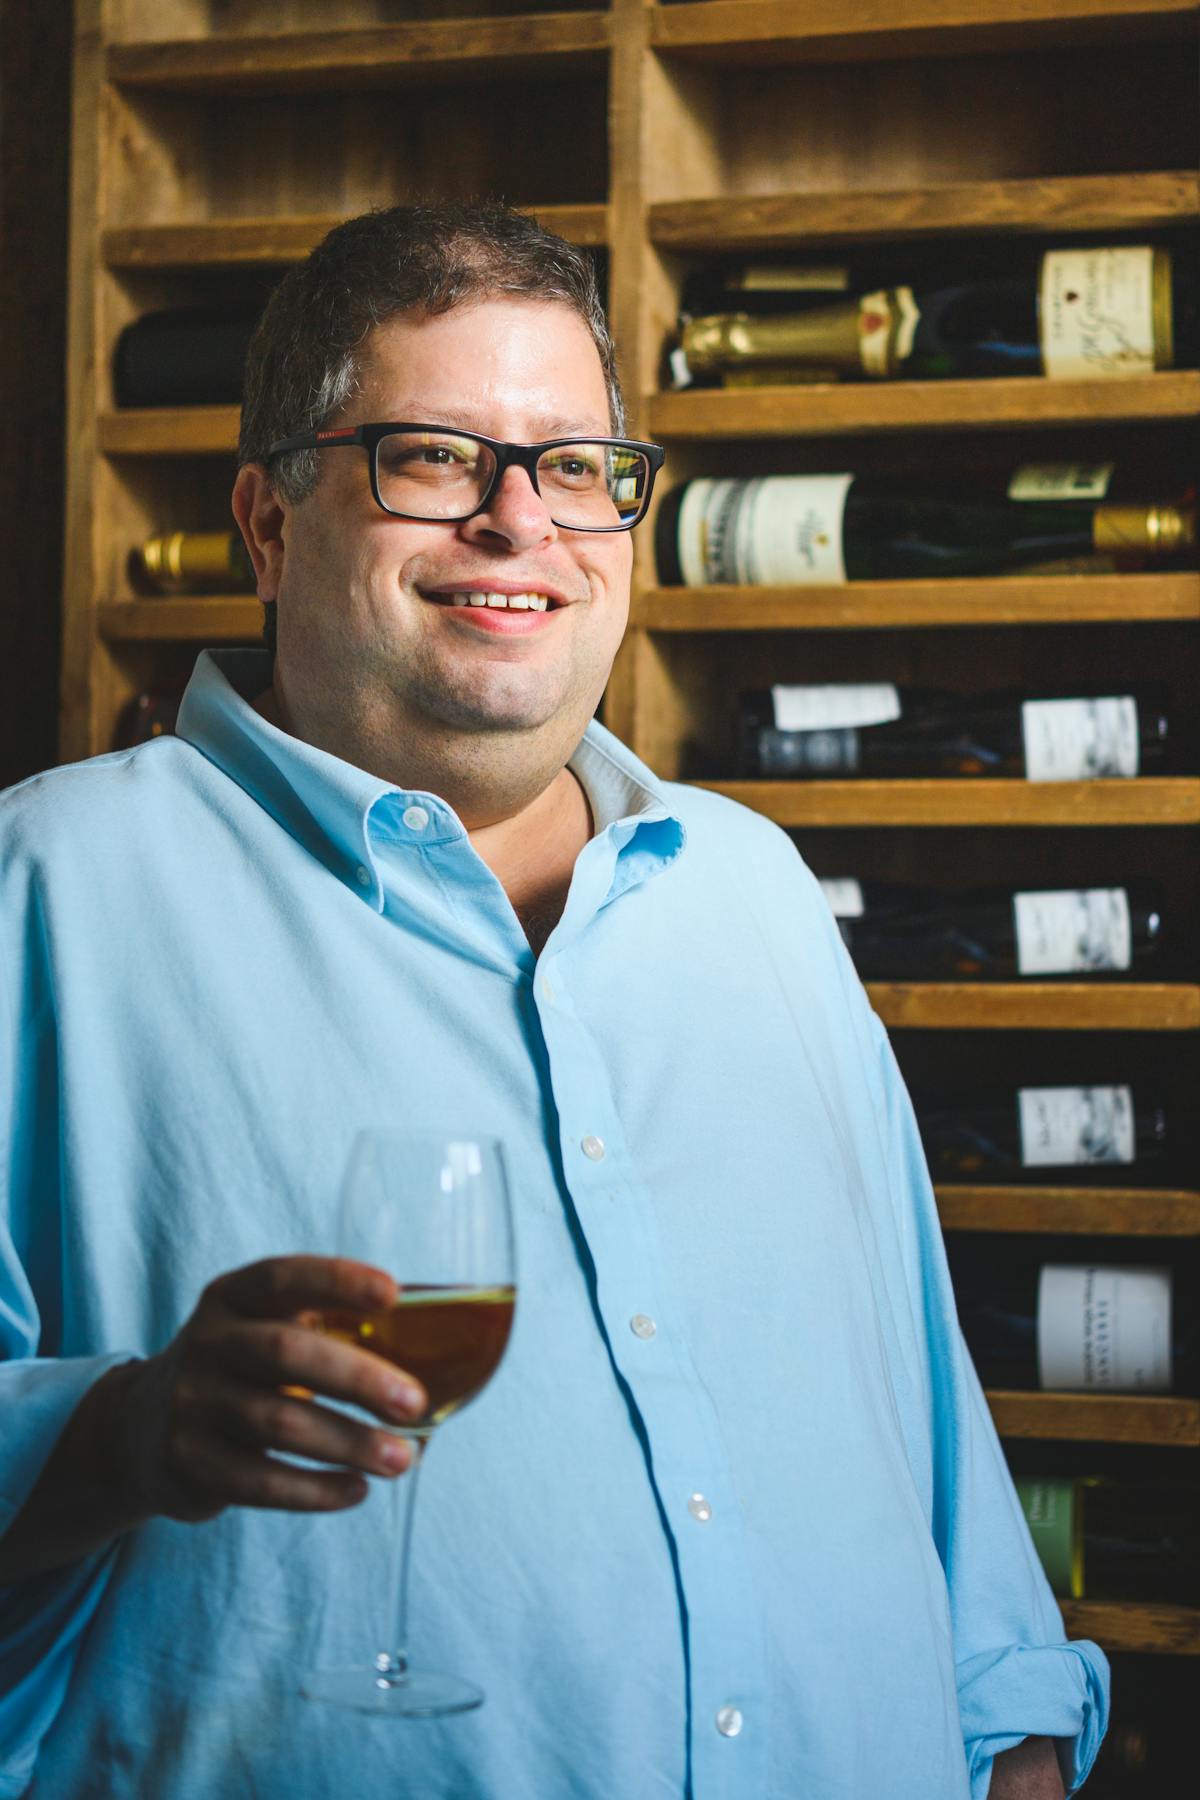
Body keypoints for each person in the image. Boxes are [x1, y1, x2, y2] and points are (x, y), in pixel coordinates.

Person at [0, 202, 1107, 1799]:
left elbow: (921, 1412)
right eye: (435, 456)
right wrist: (120, 1432)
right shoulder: (50, 890)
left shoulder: (754, 892)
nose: (522, 523)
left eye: (578, 466)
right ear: (267, 520)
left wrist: (1012, 1744)